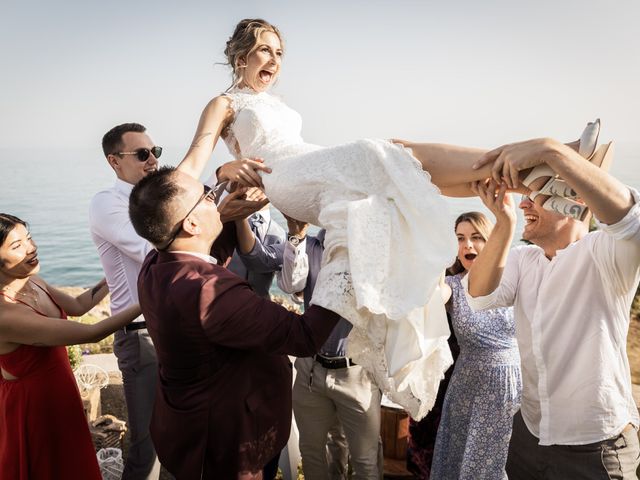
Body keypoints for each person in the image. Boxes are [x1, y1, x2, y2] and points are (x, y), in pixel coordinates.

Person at [176, 18, 604, 419]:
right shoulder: (224, 102)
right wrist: (220, 172)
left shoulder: (277, 104)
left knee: (402, 166)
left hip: (306, 161)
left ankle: (539, 184)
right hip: (283, 176)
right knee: (383, 154)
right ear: (241, 58)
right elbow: (191, 163)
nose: (273, 60)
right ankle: (547, 161)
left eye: (279, 53)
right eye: (264, 51)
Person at [128, 166, 343, 479]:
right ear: (190, 223)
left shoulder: (155, 263)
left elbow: (207, 246)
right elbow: (304, 336)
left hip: (187, 429)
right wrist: (343, 265)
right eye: (206, 196)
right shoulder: (209, 291)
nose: (214, 199)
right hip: (229, 444)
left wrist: (231, 199)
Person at [90, 122, 268, 478]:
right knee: (149, 447)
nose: (152, 160)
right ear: (114, 161)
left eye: (155, 152)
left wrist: (224, 188)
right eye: (142, 154)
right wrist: (219, 208)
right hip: (141, 334)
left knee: (189, 440)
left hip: (181, 330)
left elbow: (194, 219)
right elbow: (161, 248)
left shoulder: (164, 198)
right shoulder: (107, 204)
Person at [466, 137, 640, 478]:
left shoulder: (607, 252)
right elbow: (479, 296)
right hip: (530, 434)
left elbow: (629, 218)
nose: (523, 205)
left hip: (596, 447)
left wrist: (550, 150)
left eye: (535, 195)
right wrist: (502, 225)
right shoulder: (522, 258)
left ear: (574, 198)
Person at [0, 213, 141, 479]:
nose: (32, 248)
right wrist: (149, 297)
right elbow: (93, 332)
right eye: (17, 246)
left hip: (60, 393)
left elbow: (78, 306)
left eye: (28, 239)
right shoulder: (6, 314)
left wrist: (117, 272)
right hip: (34, 408)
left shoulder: (33, 282)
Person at [276, 217, 383, 479]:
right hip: (311, 369)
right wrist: (296, 235)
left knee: (365, 462)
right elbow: (291, 285)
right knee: (312, 451)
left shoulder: (372, 249)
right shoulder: (310, 245)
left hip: (357, 373)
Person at [430, 211, 521, 479]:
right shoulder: (452, 287)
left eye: (476, 237)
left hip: (515, 390)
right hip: (468, 390)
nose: (467, 245)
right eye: (460, 239)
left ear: (492, 241)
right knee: (464, 464)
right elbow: (431, 296)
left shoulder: (515, 279)